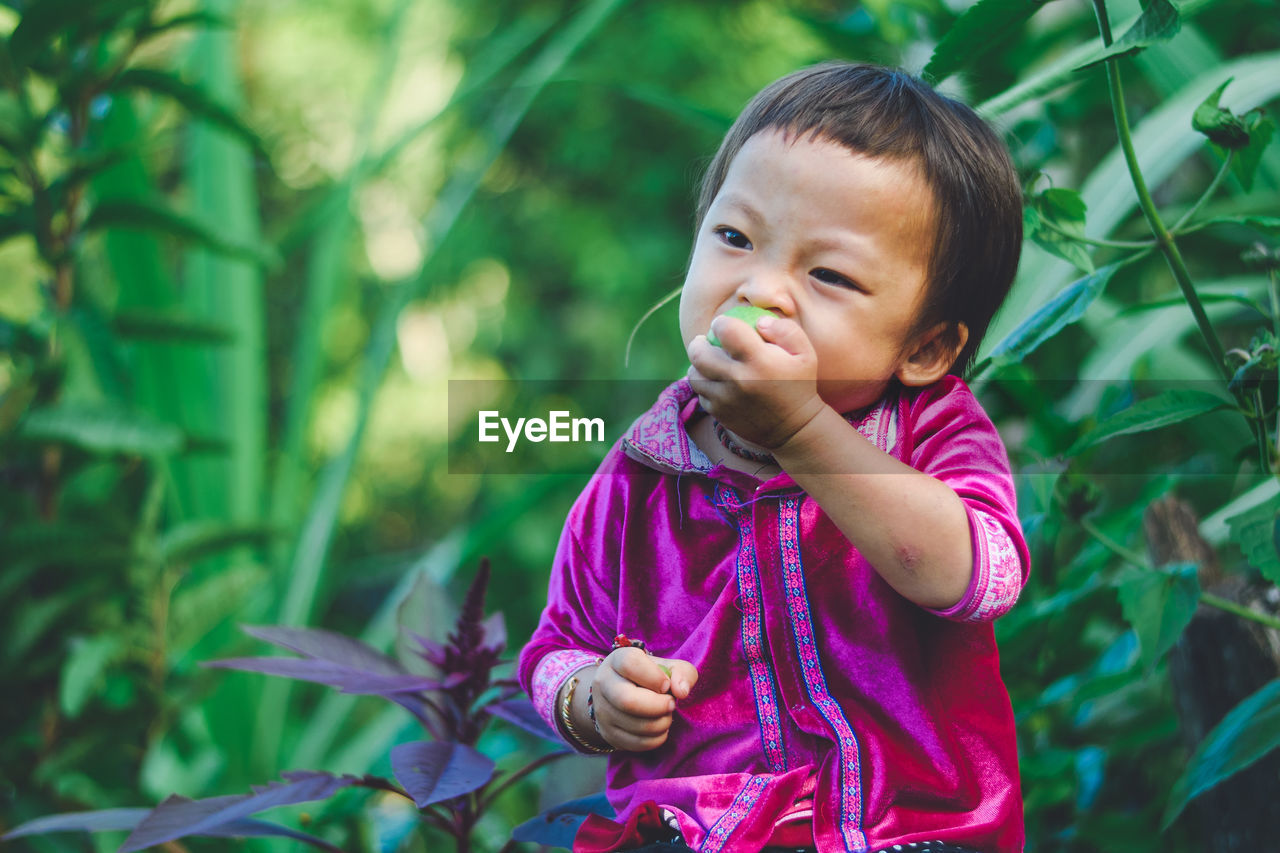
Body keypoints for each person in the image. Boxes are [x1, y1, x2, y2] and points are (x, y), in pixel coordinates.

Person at [517, 61, 1029, 853]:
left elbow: (973, 577)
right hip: (699, 828)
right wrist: (594, 696)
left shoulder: (933, 431)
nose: (762, 288)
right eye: (734, 237)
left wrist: (801, 430)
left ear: (926, 346)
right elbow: (557, 646)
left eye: (827, 274)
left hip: (912, 829)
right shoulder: (640, 473)